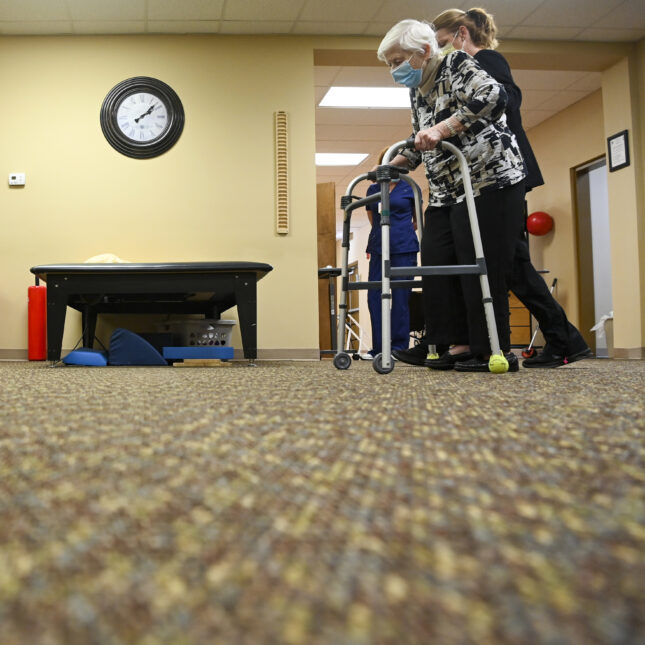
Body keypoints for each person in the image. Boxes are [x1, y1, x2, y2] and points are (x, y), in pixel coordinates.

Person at [427, 7, 592, 369]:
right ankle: (566, 340)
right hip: (491, 175)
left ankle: (554, 341)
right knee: (515, 264)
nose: (441, 53)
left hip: (503, 173)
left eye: (442, 43)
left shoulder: (485, 59)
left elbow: (507, 101)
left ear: (461, 35)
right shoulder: (459, 71)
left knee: (507, 264)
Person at [378, 18, 526, 372]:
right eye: (390, 65)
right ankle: (448, 343)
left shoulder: (456, 64)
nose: (395, 70)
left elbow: (494, 96)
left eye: (399, 61)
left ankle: (492, 348)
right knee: (436, 262)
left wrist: (444, 127)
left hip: (491, 180)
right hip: (447, 189)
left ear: (425, 51)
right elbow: (420, 141)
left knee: (481, 265)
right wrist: (392, 166)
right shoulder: (418, 89)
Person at [365, 146, 419, 357]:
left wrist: (399, 233)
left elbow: (417, 221)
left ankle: (398, 348)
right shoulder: (373, 190)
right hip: (379, 249)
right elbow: (373, 221)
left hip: (404, 248)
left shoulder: (409, 187)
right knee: (375, 297)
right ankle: (380, 347)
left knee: (400, 298)